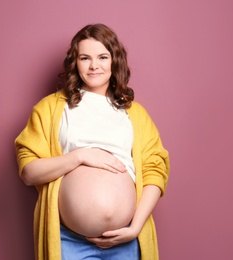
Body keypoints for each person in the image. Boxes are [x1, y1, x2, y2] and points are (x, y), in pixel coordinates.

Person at [15, 23, 170, 260]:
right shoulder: (50, 109)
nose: (94, 65)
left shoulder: (135, 114)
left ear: (114, 61)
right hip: (69, 241)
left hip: (126, 239)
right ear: (75, 63)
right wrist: (80, 156)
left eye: (102, 57)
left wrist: (135, 227)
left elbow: (154, 172)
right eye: (85, 58)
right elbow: (29, 172)